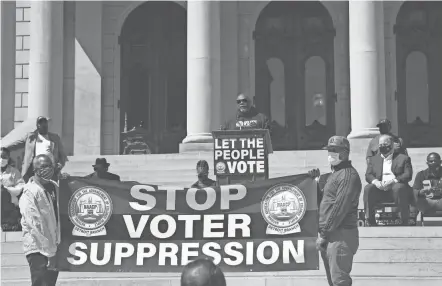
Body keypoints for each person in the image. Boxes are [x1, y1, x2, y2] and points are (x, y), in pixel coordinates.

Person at [308, 136, 362, 286]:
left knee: (340, 281)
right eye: (329, 150)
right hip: (331, 234)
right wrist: (314, 181)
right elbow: (323, 202)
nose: (330, 154)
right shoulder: (334, 175)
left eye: (334, 150)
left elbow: (339, 208)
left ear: (344, 153)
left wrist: (324, 235)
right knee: (333, 281)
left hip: (341, 235)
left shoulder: (348, 176)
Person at [19, 154, 60, 286]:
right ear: (35, 169)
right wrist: (49, 252)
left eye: (49, 166)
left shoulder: (54, 187)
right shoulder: (29, 192)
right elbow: (35, 225)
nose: (47, 169)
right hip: (37, 247)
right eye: (43, 166)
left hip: (53, 246)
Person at [364, 134, 413, 226]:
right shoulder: (374, 159)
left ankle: (404, 220)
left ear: (392, 145)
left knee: (399, 187)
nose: (382, 146)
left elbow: (408, 175)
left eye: (385, 144)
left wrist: (393, 181)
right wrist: (376, 182)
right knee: (368, 188)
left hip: (396, 190)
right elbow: (368, 175)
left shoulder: (403, 158)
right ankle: (370, 221)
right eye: (380, 144)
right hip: (380, 190)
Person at [21, 116, 68, 182]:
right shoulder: (31, 137)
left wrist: (60, 165)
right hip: (35, 169)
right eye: (40, 123)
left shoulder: (55, 137)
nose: (43, 125)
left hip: (50, 169)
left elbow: (62, 155)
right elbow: (17, 141)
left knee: (51, 187)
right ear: (37, 125)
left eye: (45, 123)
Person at [1, 147, 25, 230]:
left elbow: (21, 185)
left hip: (9, 198)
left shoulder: (14, 171)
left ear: (8, 158)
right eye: (0, 157)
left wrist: (8, 189)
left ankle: (6, 222)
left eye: (4, 157)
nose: (1, 159)